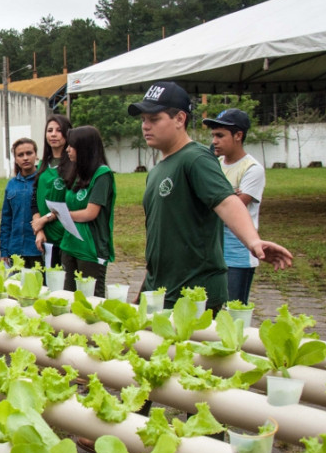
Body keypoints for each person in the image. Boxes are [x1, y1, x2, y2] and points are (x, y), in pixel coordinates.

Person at [128, 81, 291, 310]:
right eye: (143, 119)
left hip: (194, 293)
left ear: (180, 119)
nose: (145, 126)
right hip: (163, 289)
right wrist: (146, 288)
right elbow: (161, 236)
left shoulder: (195, 159)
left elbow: (227, 202)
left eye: (154, 119)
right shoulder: (156, 171)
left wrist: (253, 242)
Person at [202, 109, 266, 305]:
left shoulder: (252, 169)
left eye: (220, 135)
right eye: (213, 135)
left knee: (234, 311)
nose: (214, 141)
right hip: (213, 250)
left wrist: (216, 199)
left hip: (238, 253)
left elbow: (233, 207)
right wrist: (230, 193)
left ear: (238, 135)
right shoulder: (215, 164)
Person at [58, 126, 115, 297]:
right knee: (68, 297)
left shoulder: (102, 174)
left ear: (85, 148)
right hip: (70, 243)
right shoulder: (76, 173)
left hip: (90, 248)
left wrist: (62, 215)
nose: (67, 149)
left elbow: (90, 213)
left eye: (71, 145)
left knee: (90, 300)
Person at [31, 115, 73, 268]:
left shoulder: (73, 165)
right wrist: (39, 227)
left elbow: (71, 203)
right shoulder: (42, 165)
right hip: (45, 236)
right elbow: (34, 199)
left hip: (65, 235)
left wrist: (46, 218)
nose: (53, 134)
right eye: (49, 130)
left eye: (59, 130)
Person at [0, 138, 43, 268]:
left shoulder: (43, 181)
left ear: (36, 155)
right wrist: (4, 250)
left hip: (38, 248)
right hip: (15, 249)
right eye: (20, 155)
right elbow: (6, 220)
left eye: (29, 153)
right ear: (15, 159)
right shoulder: (11, 185)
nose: (25, 158)